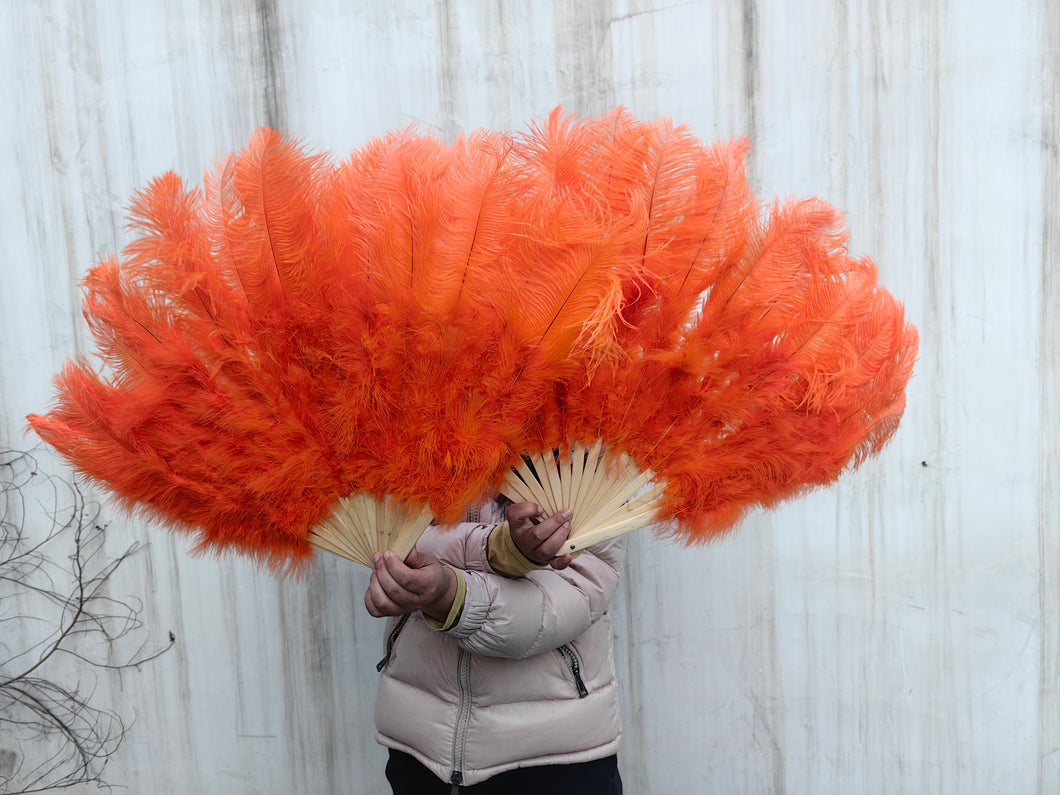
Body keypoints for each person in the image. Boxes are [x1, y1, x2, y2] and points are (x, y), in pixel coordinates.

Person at [365, 497, 626, 794]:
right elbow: (386, 538)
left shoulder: (584, 456)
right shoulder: (404, 450)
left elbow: (571, 599)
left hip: (557, 755)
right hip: (418, 742)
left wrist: (452, 595)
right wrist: (498, 548)